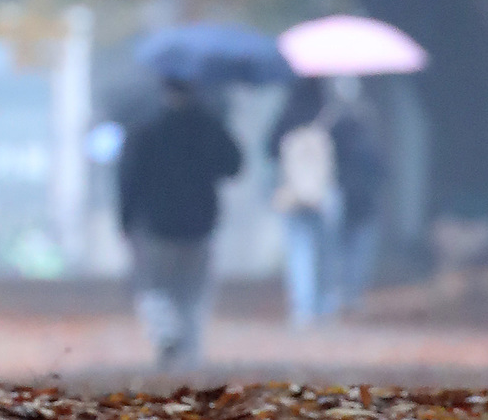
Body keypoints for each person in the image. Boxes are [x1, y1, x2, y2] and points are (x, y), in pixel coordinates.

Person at [118, 75, 241, 366]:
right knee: (192, 291)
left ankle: (164, 334)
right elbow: (234, 165)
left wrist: (125, 220)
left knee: (154, 286)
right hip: (200, 223)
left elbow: (128, 179)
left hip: (155, 225)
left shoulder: (145, 128)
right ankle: (190, 351)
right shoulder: (209, 125)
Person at [268, 79, 340, 326]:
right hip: (324, 194)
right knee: (326, 253)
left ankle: (303, 309)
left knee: (300, 252)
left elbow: (269, 148)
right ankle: (325, 306)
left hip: (293, 194)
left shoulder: (287, 119)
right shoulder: (331, 117)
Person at [327, 77, 385, 309]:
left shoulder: (330, 127)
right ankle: (351, 294)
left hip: (342, 196)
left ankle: (338, 293)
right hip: (361, 199)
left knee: (337, 250)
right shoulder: (368, 133)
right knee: (357, 250)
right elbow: (381, 168)